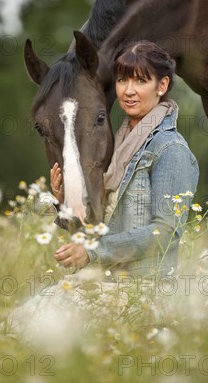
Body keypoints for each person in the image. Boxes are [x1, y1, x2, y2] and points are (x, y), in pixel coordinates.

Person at [51, 40, 199, 278]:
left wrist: (93, 251)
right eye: (122, 80)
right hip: (103, 279)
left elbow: (166, 233)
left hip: (142, 288)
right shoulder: (115, 148)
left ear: (162, 85)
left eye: (140, 80)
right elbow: (99, 231)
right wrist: (64, 203)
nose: (128, 90)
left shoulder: (171, 149)